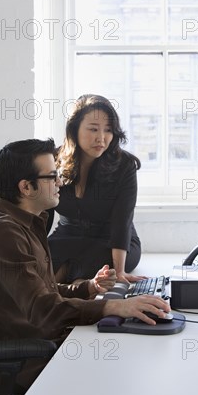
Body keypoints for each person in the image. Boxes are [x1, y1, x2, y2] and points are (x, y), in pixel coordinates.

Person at [0, 139, 170, 392]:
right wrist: (113, 306)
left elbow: (42, 290)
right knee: (137, 371)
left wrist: (89, 288)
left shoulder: (24, 225)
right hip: (29, 364)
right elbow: (44, 308)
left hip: (51, 345)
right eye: (52, 176)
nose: (60, 182)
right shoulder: (4, 234)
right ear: (26, 187)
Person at [47, 94, 145, 284]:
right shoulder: (54, 159)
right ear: (74, 130)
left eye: (108, 130)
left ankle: (74, 285)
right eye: (93, 129)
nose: (101, 138)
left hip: (112, 243)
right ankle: (70, 286)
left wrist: (120, 271)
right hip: (68, 237)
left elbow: (122, 220)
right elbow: (44, 210)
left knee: (98, 265)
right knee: (41, 261)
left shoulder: (124, 165)